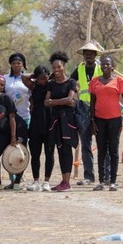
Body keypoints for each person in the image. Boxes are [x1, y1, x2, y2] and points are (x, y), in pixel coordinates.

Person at [89, 55, 123, 192]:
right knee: (101, 150)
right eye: (103, 64)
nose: (105, 66)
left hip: (115, 120)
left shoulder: (119, 81)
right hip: (99, 120)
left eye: (108, 64)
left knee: (113, 150)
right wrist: (92, 121)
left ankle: (113, 181)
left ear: (113, 66)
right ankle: (101, 181)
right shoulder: (95, 82)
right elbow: (92, 102)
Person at [0, 75, 28, 191]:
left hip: (19, 128)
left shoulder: (6, 99)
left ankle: (17, 183)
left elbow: (12, 118)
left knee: (20, 155)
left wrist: (14, 137)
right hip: (4, 130)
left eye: (2, 85)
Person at [70, 41, 103, 185]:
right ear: (83, 55)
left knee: (103, 143)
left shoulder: (102, 69)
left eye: (91, 53)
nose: (89, 56)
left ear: (95, 55)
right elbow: (70, 82)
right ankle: (89, 176)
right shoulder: (79, 69)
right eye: (86, 53)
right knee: (86, 144)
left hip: (100, 107)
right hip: (83, 107)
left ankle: (106, 175)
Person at [45, 52, 78, 192]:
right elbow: (46, 102)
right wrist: (60, 102)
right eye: (54, 67)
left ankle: (67, 182)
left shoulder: (71, 82)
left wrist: (54, 102)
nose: (56, 69)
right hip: (56, 121)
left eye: (59, 67)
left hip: (68, 120)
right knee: (59, 149)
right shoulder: (51, 84)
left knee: (67, 150)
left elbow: (71, 100)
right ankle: (63, 181)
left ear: (64, 66)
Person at [22, 65, 54, 192]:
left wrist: (49, 77)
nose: (42, 81)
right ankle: (36, 181)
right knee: (35, 154)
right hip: (36, 123)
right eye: (40, 78)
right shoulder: (34, 87)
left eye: (45, 78)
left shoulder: (52, 86)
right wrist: (33, 76)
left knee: (49, 154)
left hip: (49, 123)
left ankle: (46, 181)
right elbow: (23, 78)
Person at [4, 52, 31, 189]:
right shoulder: (5, 79)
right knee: (10, 149)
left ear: (23, 64)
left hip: (25, 117)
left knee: (22, 149)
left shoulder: (28, 80)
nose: (16, 65)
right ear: (11, 64)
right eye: (14, 63)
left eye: (19, 63)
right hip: (9, 119)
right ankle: (12, 179)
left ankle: (19, 181)